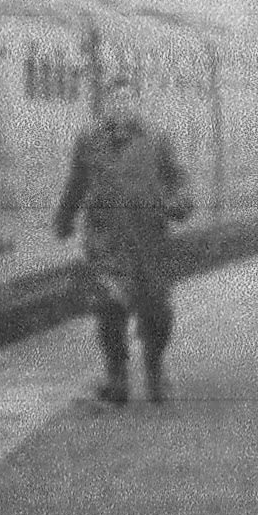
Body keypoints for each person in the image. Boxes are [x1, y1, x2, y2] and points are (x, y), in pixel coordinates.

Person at [56, 94, 194, 405]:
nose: (119, 107)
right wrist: (64, 219)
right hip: (107, 241)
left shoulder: (158, 139)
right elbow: (76, 184)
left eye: (126, 100)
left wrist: (180, 202)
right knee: (109, 310)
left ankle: (155, 371)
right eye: (113, 100)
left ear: (136, 105)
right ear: (104, 106)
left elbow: (178, 179)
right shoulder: (88, 142)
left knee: (157, 312)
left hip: (150, 241)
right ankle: (116, 377)